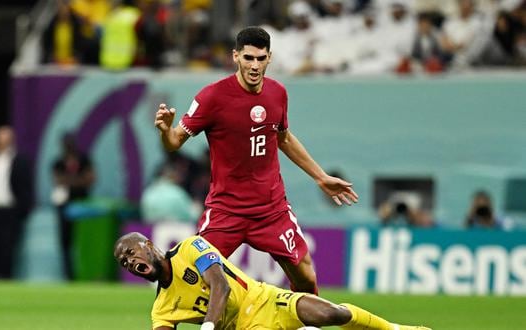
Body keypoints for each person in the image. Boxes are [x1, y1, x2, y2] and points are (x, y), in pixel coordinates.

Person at [154, 26, 358, 294]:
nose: (254, 66)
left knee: (306, 277)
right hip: (226, 210)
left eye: (261, 59)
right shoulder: (212, 97)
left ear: (269, 58)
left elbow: (283, 138)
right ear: (235, 56)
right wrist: (166, 131)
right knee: (188, 276)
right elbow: (174, 142)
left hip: (271, 210)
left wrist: (320, 176)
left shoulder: (277, 93)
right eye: (248, 58)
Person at [114, 232, 431, 329]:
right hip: (241, 328)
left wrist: (208, 327)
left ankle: (397, 329)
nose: (129, 261)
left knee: (331, 314)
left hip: (264, 299)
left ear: (150, 247)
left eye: (131, 252)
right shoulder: (162, 309)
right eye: (124, 262)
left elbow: (220, 285)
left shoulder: (189, 247)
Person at [0, 126, 34, 278]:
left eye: (3, 138)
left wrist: (23, 210)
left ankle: (5, 275)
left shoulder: (19, 161)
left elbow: (25, 186)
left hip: (10, 210)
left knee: (8, 245)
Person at [52, 132, 95, 280]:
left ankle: (85, 272)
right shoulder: (59, 162)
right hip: (64, 206)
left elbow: (90, 179)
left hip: (82, 206)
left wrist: (70, 181)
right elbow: (58, 180)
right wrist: (79, 180)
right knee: (65, 241)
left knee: (83, 240)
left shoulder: (84, 159)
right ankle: (68, 274)